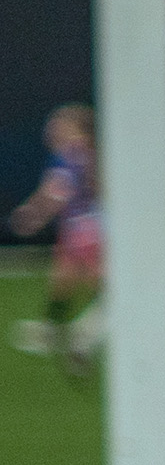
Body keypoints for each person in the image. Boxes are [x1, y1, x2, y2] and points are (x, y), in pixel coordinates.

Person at [10, 102, 102, 377]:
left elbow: (58, 191)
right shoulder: (89, 153)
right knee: (62, 281)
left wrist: (32, 215)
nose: (51, 129)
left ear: (75, 128)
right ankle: (53, 331)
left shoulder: (70, 155)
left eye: (59, 123)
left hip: (84, 230)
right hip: (86, 227)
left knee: (107, 292)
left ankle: (85, 337)